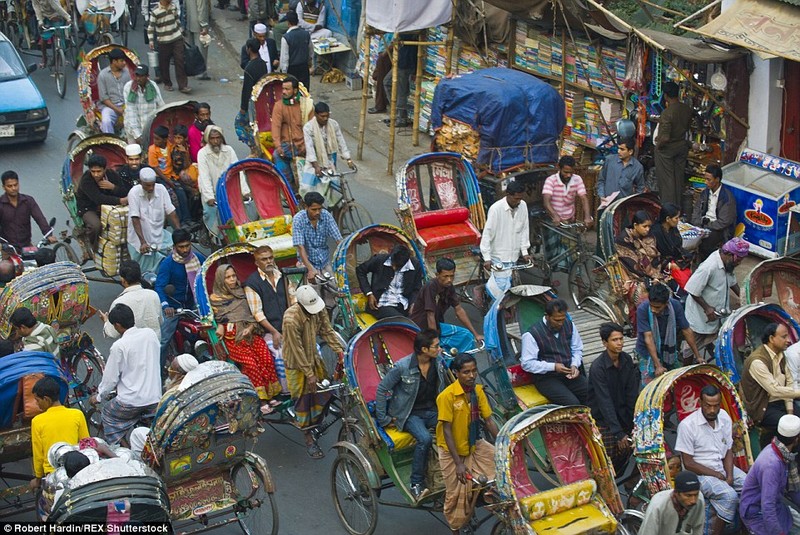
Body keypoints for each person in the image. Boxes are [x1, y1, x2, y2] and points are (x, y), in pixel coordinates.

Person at [375, 329, 444, 500]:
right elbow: (382, 389)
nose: (439, 349)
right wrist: (384, 418)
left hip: (432, 410)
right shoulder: (402, 367)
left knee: (455, 427)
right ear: (424, 349)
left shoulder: (439, 362)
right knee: (425, 439)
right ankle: (416, 483)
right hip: (409, 414)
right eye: (435, 346)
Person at [437, 353, 498, 534]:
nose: (471, 375)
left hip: (473, 444)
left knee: (502, 465)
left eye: (474, 371)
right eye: (466, 372)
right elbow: (447, 431)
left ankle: (487, 498)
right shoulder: (446, 397)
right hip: (451, 451)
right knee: (455, 496)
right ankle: (455, 530)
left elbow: (489, 421)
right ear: (456, 373)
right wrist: (458, 464)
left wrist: (505, 445)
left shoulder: (478, 391)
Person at [282, 285, 344, 458]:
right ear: (300, 305)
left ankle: (316, 421)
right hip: (296, 363)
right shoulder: (291, 319)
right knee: (303, 400)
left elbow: (326, 330)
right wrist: (309, 374)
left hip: (313, 355)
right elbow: (297, 349)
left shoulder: (319, 308)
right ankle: (308, 438)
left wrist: (340, 352)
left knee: (322, 390)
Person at [676, 384, 747, 535]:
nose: (712, 410)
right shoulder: (687, 426)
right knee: (729, 496)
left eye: (716, 406)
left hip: (721, 465)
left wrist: (729, 475)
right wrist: (718, 475)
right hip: (700, 473)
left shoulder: (724, 417)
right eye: (708, 406)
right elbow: (688, 463)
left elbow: (728, 449)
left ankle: (745, 528)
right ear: (700, 403)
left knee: (750, 486)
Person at [210, 263, 281, 401]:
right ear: (220, 279)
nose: (232, 280)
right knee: (251, 364)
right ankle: (259, 399)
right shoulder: (215, 299)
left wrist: (249, 329)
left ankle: (271, 394)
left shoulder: (243, 292)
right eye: (227, 277)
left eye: (233, 276)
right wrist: (220, 326)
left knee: (266, 359)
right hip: (233, 339)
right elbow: (219, 318)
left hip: (251, 333)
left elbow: (252, 315)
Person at [94, 304, 161, 445]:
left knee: (107, 413)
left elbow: (110, 379)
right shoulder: (150, 334)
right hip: (155, 398)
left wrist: (99, 396)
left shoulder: (120, 346)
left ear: (117, 325)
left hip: (131, 402)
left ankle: (121, 450)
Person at [587, 323, 640, 473]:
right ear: (605, 343)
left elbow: (632, 393)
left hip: (623, 412)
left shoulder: (626, 359)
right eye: (614, 340)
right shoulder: (598, 368)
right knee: (608, 457)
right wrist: (618, 432)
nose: (619, 343)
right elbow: (605, 402)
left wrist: (635, 423)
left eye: (621, 339)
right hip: (603, 418)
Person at [684, 237, 748, 357]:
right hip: (701, 316)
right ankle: (686, 369)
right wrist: (707, 308)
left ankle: (710, 350)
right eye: (738, 259)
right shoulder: (709, 267)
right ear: (728, 254)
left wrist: (744, 298)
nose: (739, 263)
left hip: (718, 313)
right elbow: (692, 289)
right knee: (691, 350)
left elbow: (732, 282)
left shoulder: (728, 264)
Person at [739, 414, 800, 535]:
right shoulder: (772, 464)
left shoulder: (782, 452)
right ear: (796, 439)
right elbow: (767, 506)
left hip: (776, 506)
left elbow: (793, 491)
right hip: (757, 513)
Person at [520, 298, 588, 405]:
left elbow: (577, 349)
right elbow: (527, 363)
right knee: (572, 403)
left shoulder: (570, 325)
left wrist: (575, 365)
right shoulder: (531, 334)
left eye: (563, 319)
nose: (561, 323)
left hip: (568, 373)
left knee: (592, 392)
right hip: (546, 378)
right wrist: (553, 367)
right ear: (547, 316)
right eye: (557, 320)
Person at [409, 258, 484, 353]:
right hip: (422, 329)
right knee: (441, 353)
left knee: (467, 336)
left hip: (437, 326)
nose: (449, 280)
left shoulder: (449, 287)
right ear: (437, 275)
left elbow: (459, 310)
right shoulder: (430, 287)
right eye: (445, 276)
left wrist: (476, 334)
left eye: (452, 276)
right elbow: (430, 316)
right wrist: (435, 344)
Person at [155, 229, 206, 367]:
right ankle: (158, 373)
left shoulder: (199, 259)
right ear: (175, 247)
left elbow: (207, 280)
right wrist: (166, 306)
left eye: (187, 246)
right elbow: (159, 287)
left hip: (194, 305)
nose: (185, 250)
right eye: (181, 247)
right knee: (163, 341)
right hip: (174, 307)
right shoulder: (167, 264)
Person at [741, 323, 800, 441]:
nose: (788, 340)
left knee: (795, 424)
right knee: (792, 429)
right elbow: (775, 390)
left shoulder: (781, 354)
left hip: (781, 402)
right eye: (784, 337)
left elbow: (789, 382)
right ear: (771, 339)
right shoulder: (757, 361)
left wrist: (790, 411)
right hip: (763, 407)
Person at [29, 376, 89, 490]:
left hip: (53, 474)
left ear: (46, 399)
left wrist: (37, 479)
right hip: (78, 469)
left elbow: (38, 456)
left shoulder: (37, 421)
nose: (37, 404)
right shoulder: (77, 414)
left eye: (37, 400)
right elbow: (86, 444)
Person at [636, 283, 701, 385]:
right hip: (647, 352)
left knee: (678, 383)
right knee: (650, 388)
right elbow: (648, 338)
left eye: (657, 307)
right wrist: (657, 365)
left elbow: (687, 330)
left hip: (669, 351)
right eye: (652, 306)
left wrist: (698, 356)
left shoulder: (675, 306)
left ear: (666, 303)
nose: (653, 310)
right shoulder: (642, 310)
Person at [244, 246, 290, 391]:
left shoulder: (283, 275)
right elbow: (258, 314)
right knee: (280, 355)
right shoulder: (252, 283)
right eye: (264, 259)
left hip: (289, 326)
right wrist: (275, 332)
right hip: (270, 331)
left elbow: (293, 300)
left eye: (270, 258)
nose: (269, 261)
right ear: (257, 263)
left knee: (313, 348)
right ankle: (287, 392)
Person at [479, 180, 531, 299]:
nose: (518, 202)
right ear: (508, 195)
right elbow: (487, 234)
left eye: (520, 199)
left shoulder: (523, 206)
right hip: (498, 255)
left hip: (513, 255)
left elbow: (524, 229)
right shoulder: (496, 209)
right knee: (500, 291)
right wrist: (486, 258)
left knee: (510, 288)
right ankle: (495, 314)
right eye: (515, 199)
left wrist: (525, 252)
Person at [542, 155, 593, 270]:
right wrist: (555, 216)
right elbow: (546, 201)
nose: (568, 175)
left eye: (571, 172)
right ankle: (548, 275)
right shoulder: (551, 181)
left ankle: (576, 277)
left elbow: (584, 198)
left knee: (573, 251)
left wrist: (587, 217)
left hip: (569, 219)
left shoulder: (577, 179)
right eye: (565, 172)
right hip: (553, 221)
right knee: (551, 253)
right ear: (558, 168)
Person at [126, 167, 180, 272]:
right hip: (138, 240)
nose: (151, 188)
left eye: (152, 185)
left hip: (158, 236)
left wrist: (179, 231)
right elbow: (135, 218)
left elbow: (171, 212)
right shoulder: (133, 193)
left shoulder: (161, 189)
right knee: (144, 273)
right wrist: (142, 242)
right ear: (141, 183)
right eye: (147, 186)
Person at [300, 102, 355, 198]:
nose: (325, 118)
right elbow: (310, 148)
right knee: (307, 188)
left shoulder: (333, 124)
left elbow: (341, 141)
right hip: (313, 163)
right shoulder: (308, 128)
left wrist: (348, 159)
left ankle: (336, 210)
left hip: (328, 161)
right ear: (316, 115)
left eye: (327, 116)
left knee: (335, 190)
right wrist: (316, 167)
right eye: (322, 116)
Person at [75, 154, 128, 249]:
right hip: (89, 208)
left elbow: (123, 191)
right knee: (96, 226)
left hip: (110, 206)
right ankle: (94, 248)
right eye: (93, 171)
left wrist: (113, 187)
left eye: (99, 171)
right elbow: (98, 198)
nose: (96, 174)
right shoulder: (86, 180)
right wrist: (119, 200)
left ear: (105, 169)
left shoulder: (111, 174)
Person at [197, 125, 241, 239]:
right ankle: (213, 236)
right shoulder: (202, 153)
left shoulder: (229, 150)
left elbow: (237, 171)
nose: (216, 141)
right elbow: (204, 177)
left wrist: (245, 192)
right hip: (212, 194)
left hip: (229, 191)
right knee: (212, 214)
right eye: (212, 138)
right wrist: (209, 197)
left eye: (218, 138)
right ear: (207, 139)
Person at [355, 244, 422, 319]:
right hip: (382, 304)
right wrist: (369, 293)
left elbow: (417, 288)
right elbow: (360, 270)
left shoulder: (415, 265)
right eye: (393, 264)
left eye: (397, 266)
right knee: (401, 321)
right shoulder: (380, 260)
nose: (393, 268)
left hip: (404, 305)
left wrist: (413, 303)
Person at [100, 260, 162, 339]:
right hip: (154, 345)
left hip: (133, 348)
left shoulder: (119, 302)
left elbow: (112, 333)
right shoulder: (153, 295)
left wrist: (106, 321)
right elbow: (160, 321)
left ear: (123, 280)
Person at [654, 81, 692, 205]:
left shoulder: (667, 113)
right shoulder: (686, 109)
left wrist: (658, 146)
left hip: (667, 149)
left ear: (665, 96)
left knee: (667, 181)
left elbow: (664, 138)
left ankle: (669, 209)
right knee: (678, 178)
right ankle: (677, 207)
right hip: (681, 146)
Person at [271, 76, 314, 186]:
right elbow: (275, 127)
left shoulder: (306, 105)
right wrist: (278, 146)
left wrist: (307, 145)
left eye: (287, 89)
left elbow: (312, 128)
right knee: (276, 155)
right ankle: (289, 188)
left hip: (305, 144)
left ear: (295, 90)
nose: (284, 92)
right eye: (283, 89)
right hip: (287, 145)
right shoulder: (279, 106)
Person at [0, 170, 56, 252]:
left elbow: (39, 218)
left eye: (16, 185)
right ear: (4, 187)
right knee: (6, 265)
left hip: (26, 246)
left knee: (41, 261)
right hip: (7, 248)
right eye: (10, 186)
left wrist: (48, 235)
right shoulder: (1, 204)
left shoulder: (28, 201)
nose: (14, 188)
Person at [691, 164, 737, 262]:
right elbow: (696, 210)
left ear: (717, 180)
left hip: (718, 229)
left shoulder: (727, 198)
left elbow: (724, 222)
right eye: (705, 179)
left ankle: (706, 263)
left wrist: (707, 226)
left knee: (706, 242)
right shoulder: (705, 193)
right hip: (703, 224)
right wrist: (697, 222)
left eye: (709, 180)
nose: (705, 182)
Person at [292, 191, 342, 280]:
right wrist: (310, 269)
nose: (318, 212)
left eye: (320, 209)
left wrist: (344, 259)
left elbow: (338, 239)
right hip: (306, 262)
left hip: (324, 260)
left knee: (334, 286)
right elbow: (300, 247)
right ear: (306, 207)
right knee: (312, 291)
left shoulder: (326, 216)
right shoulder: (298, 219)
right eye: (314, 209)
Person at [149, 125, 191, 225]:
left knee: (181, 194)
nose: (155, 141)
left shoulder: (170, 146)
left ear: (165, 139)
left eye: (157, 139)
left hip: (172, 176)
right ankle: (180, 221)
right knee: (173, 197)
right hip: (160, 178)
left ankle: (187, 219)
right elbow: (155, 168)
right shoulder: (152, 150)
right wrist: (168, 181)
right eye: (154, 138)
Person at [639, 471, 705, 535]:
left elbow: (698, 528)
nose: (693, 500)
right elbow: (648, 532)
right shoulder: (658, 505)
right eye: (688, 495)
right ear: (676, 493)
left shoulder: (699, 499)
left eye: (696, 494)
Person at [147, 0, 191, 94]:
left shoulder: (173, 7)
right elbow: (151, 28)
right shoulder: (155, 12)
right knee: (164, 63)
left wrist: (181, 32)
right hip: (163, 41)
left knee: (180, 61)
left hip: (176, 37)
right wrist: (151, 40)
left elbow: (177, 20)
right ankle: (167, 83)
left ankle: (183, 85)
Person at [650, 202, 692, 290]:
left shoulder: (673, 230)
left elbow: (677, 247)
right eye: (676, 218)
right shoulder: (655, 233)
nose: (678, 220)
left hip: (675, 261)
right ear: (668, 219)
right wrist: (669, 265)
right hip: (662, 265)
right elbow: (652, 255)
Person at [237, 38, 269, 153]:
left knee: (243, 124)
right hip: (263, 100)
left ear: (248, 49)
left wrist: (243, 108)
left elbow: (246, 90)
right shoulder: (262, 64)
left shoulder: (249, 68)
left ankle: (254, 147)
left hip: (252, 102)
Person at [382, 33, 418, 128]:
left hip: (406, 63)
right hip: (400, 61)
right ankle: (397, 113)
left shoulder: (410, 30)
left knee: (402, 91)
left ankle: (401, 118)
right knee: (387, 82)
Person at [616, 210, 663, 282]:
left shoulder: (649, 235)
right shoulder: (624, 239)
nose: (647, 229)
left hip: (653, 271)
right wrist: (641, 251)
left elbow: (654, 253)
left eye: (649, 226)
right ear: (635, 225)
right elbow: (630, 261)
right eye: (644, 226)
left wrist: (642, 249)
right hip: (634, 273)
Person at [122, 65, 164, 145]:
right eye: (137, 75)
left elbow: (161, 105)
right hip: (132, 127)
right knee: (135, 153)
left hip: (149, 126)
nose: (138, 78)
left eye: (141, 76)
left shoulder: (153, 86)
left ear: (147, 76)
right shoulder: (128, 87)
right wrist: (137, 135)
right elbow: (131, 113)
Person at [596, 138, 645, 204]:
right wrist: (601, 195)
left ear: (630, 151)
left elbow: (640, 187)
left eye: (622, 149)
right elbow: (601, 180)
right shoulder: (609, 161)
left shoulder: (637, 167)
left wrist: (633, 202)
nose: (618, 151)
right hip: (607, 202)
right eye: (618, 148)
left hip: (624, 205)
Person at [30, 0, 71, 69]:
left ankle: (61, 55)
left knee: (60, 35)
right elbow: (37, 8)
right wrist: (40, 21)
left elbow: (57, 7)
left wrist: (67, 17)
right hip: (44, 17)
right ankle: (44, 57)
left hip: (56, 14)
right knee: (44, 38)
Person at [96, 48, 128, 134]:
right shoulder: (103, 75)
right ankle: (110, 143)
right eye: (122, 61)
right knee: (106, 121)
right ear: (114, 61)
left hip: (126, 105)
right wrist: (117, 109)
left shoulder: (127, 73)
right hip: (110, 107)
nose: (124, 63)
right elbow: (104, 98)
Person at [279, 11, 312, 90]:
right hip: (304, 67)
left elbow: (284, 58)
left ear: (288, 22)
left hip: (292, 69)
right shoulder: (306, 34)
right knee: (304, 91)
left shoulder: (286, 37)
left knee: (292, 93)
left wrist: (283, 73)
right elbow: (311, 51)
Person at [185, 0, 211, 80]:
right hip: (198, 23)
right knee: (201, 48)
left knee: (192, 48)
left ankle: (193, 69)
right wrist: (204, 24)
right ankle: (201, 72)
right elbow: (201, 8)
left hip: (190, 20)